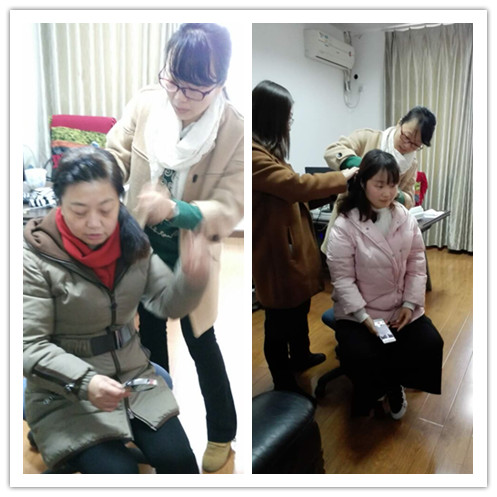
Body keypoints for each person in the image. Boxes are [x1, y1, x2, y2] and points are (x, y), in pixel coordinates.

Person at [105, 23, 242, 472]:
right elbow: (117, 151)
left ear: (219, 82)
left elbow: (231, 205)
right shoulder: (148, 101)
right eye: (173, 80)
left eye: (195, 88)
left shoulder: (233, 129)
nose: (180, 97)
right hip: (141, 252)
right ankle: (158, 424)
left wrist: (177, 210)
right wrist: (98, 176)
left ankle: (222, 431)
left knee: (202, 342)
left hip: (192, 257)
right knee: (149, 343)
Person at [23, 147, 210, 473]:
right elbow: (28, 346)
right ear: (59, 203)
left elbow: (167, 303)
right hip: (66, 390)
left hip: (133, 378)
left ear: (119, 201)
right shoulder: (34, 257)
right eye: (79, 211)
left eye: (106, 209)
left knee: (180, 462)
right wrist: (86, 382)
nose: (94, 223)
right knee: (118, 474)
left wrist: (190, 280)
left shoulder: (133, 242)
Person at [252, 80, 358, 397]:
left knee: (298, 309)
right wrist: (343, 177)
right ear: (271, 116)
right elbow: (295, 186)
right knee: (278, 322)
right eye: (287, 117)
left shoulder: (270, 154)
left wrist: (330, 193)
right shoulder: (253, 155)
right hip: (275, 254)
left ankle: (300, 356)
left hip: (291, 249)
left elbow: (295, 196)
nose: (289, 124)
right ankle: (283, 381)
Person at [326, 148, 444, 419]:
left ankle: (395, 383)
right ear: (362, 183)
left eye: (392, 185)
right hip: (359, 313)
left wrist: (410, 304)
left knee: (429, 342)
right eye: (379, 185)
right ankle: (379, 387)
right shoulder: (345, 225)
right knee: (362, 354)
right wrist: (363, 316)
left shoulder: (404, 216)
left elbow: (416, 263)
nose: (387, 193)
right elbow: (342, 279)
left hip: (398, 307)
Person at [321, 105, 436, 252]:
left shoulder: (411, 164)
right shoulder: (368, 138)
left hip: (382, 234)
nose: (408, 146)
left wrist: (395, 192)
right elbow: (332, 151)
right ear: (399, 123)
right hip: (349, 226)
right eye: (406, 137)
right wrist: (365, 166)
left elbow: (409, 199)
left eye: (416, 145)